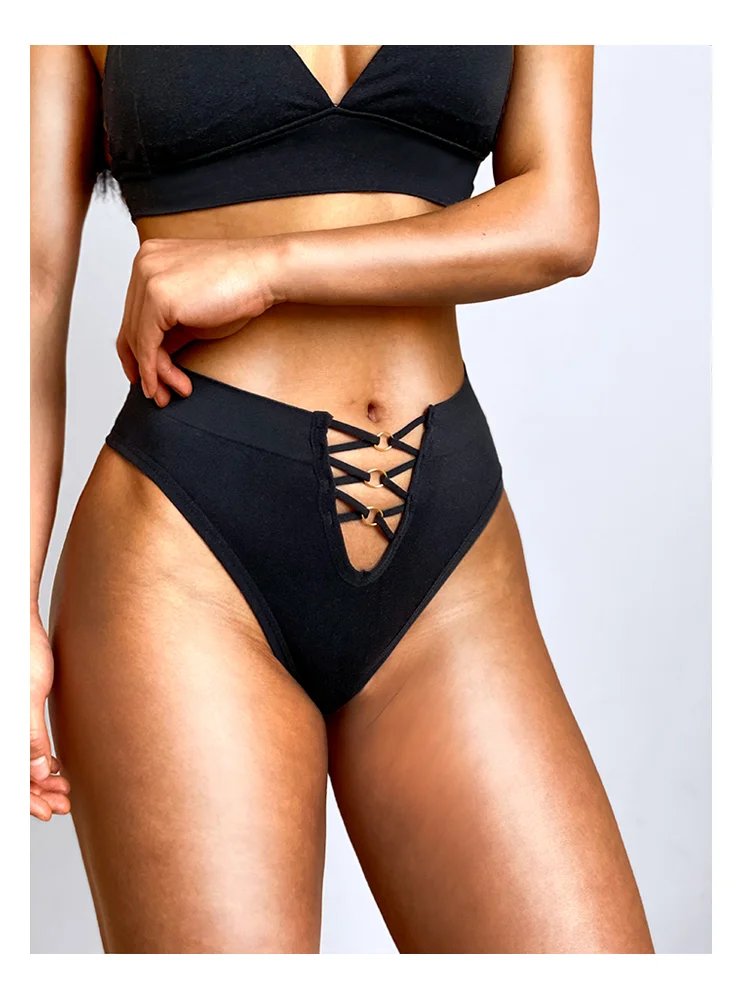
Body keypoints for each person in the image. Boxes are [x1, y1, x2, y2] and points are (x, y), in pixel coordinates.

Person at [30, 44, 654, 954]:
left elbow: (559, 216)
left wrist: (272, 268)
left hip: (449, 557)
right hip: (185, 551)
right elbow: (31, 288)